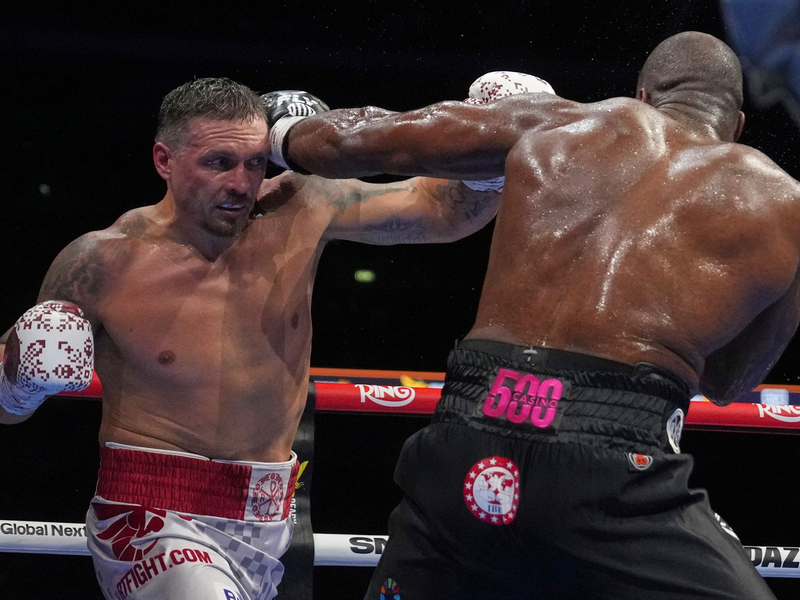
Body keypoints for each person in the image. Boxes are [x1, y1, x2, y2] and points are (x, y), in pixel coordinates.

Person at [268, 32, 800, 599]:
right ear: (739, 124)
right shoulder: (784, 204)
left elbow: (343, 142)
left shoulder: (557, 122)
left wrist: (276, 127)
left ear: (643, 96)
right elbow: (727, 382)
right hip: (614, 464)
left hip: (470, 433)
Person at [0, 75, 520, 600]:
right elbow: (8, 410)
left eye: (254, 162)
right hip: (150, 515)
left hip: (271, 517)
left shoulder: (301, 208)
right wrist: (19, 383)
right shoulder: (101, 262)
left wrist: (494, 149)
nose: (242, 183)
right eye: (219, 162)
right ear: (164, 160)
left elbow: (443, 213)